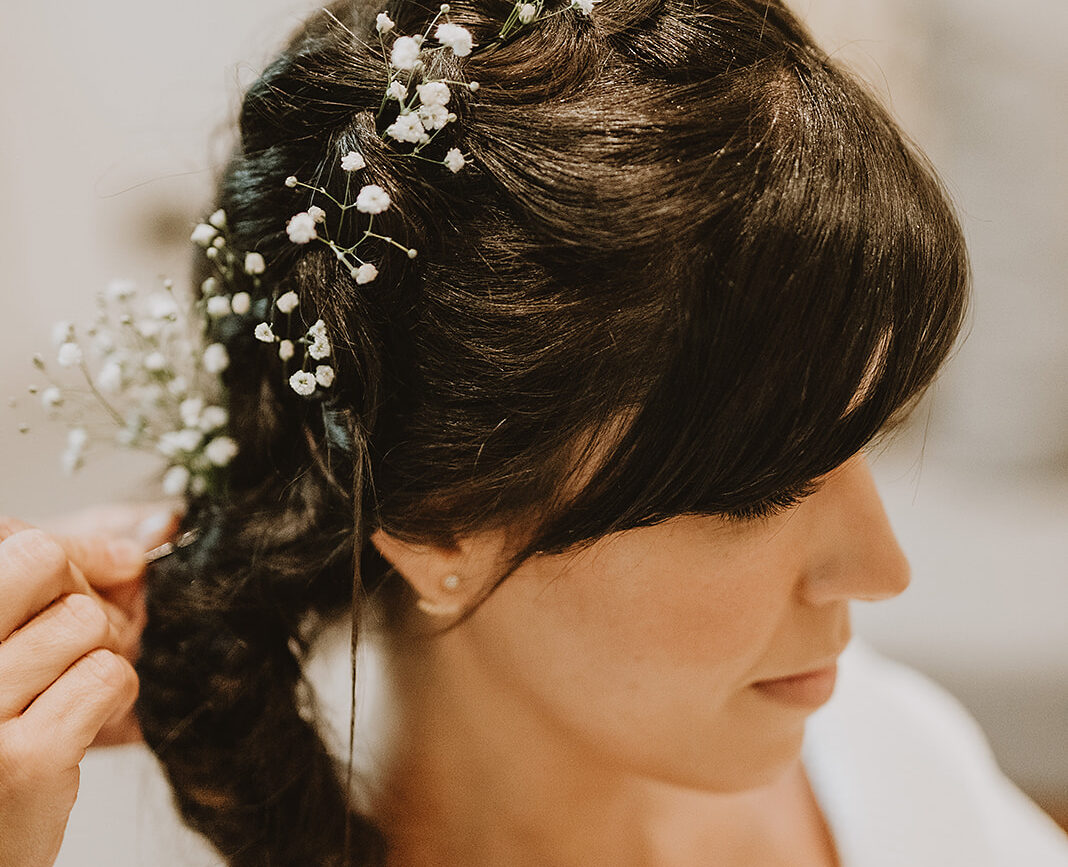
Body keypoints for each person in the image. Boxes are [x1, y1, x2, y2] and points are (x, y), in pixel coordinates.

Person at [3, 0, 1067, 865]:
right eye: (756, 488)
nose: (885, 572)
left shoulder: (888, 746)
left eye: (867, 436)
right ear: (439, 518)